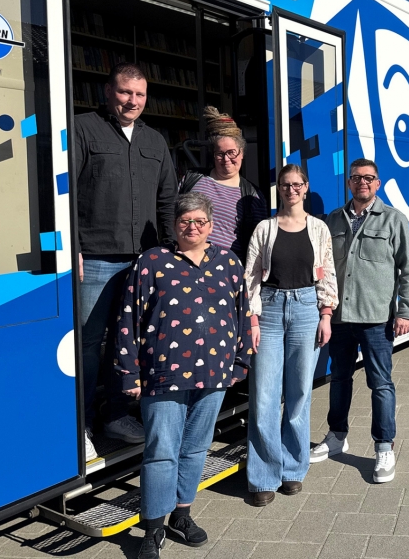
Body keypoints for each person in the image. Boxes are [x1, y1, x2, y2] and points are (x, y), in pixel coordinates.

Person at [114, 192, 255, 559]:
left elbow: (242, 313)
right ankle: (153, 528)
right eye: (185, 221)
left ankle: (182, 514)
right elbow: (128, 318)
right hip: (163, 374)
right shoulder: (152, 262)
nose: (193, 227)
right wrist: (129, 373)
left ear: (211, 225)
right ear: (174, 225)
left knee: (195, 448)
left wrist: (240, 362)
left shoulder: (228, 261)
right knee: (161, 451)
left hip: (215, 373)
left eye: (200, 221)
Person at [75, 61, 177, 461]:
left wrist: (170, 252)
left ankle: (116, 415)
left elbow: (167, 199)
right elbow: (63, 190)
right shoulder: (83, 129)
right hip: (95, 257)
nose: (132, 101)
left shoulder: (155, 141)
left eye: (139, 94)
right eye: (125, 92)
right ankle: (82, 425)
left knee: (129, 344)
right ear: (108, 92)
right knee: (87, 344)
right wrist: (72, 248)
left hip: (144, 260)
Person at [310, 158, 409, 483]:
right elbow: (323, 266)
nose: (362, 183)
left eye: (369, 178)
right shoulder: (333, 220)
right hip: (340, 317)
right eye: (356, 178)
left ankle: (384, 447)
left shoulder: (393, 220)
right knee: (339, 379)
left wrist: (404, 311)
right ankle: (337, 436)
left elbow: (408, 268)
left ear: (377, 183)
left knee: (380, 384)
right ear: (349, 183)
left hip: (376, 318)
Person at [244, 164, 339, 506]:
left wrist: (326, 315)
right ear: (279, 189)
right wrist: (252, 319)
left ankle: (294, 469)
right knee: (264, 396)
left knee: (299, 393)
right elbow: (251, 275)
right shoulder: (265, 228)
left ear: (306, 187)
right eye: (286, 184)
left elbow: (327, 273)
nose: (292, 190)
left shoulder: (319, 228)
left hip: (306, 309)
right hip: (269, 310)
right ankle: (264, 475)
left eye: (297, 184)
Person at [178, 107, 268, 262]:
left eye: (231, 152)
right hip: (185, 263)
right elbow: (172, 215)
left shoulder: (252, 196)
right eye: (220, 154)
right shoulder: (192, 179)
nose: (226, 159)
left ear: (242, 153)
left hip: (227, 269)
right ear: (213, 155)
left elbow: (258, 245)